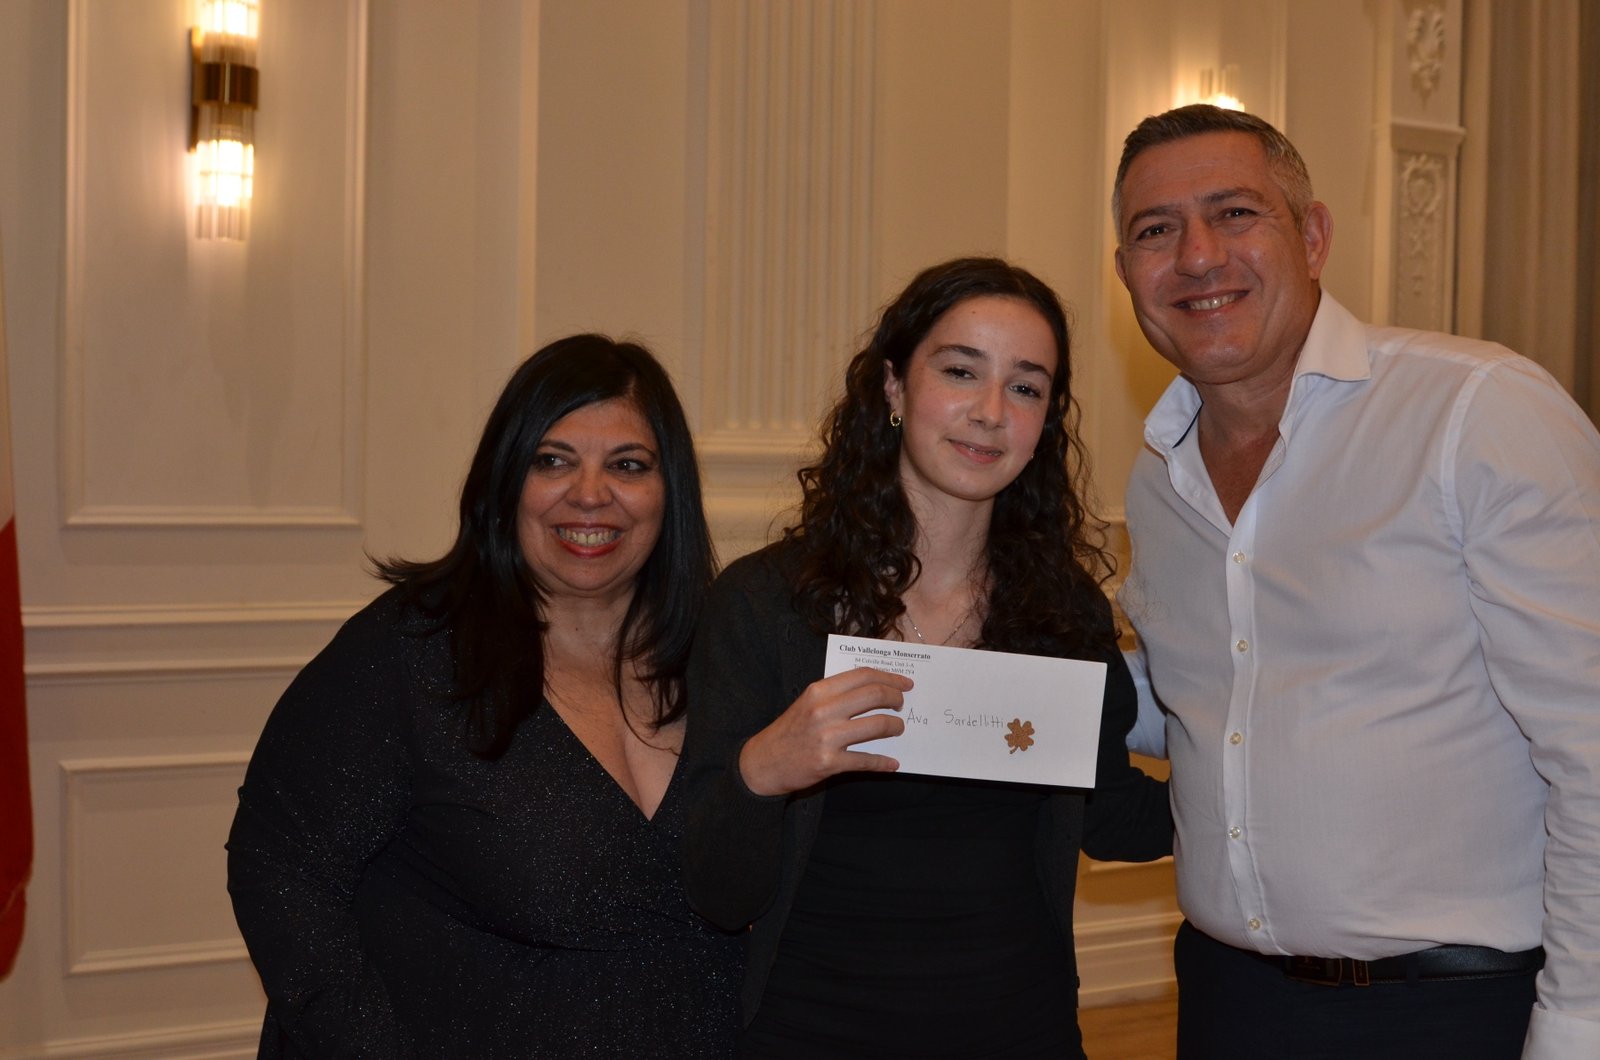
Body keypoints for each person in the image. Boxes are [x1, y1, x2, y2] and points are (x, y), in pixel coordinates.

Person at [1111, 104, 1600, 1059]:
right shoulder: (1158, 479)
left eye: (1235, 213)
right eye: (1155, 231)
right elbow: (1205, 698)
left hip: (1455, 1014)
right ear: (1127, 272)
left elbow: (1591, 743)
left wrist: (1580, 1026)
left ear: (1313, 236)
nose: (1198, 256)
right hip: (1226, 1004)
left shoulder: (1475, 413)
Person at [682, 256, 1173, 1058]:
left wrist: (1262, 783)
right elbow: (715, 888)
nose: (990, 412)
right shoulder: (767, 605)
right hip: (812, 1033)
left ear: (1046, 422)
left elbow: (1110, 815)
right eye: (960, 371)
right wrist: (762, 771)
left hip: (1020, 1031)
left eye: (1025, 387)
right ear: (893, 388)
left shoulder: (1063, 615)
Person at [226, 335, 740, 1058]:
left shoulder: (728, 654)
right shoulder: (409, 655)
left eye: (628, 465)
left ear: (671, 492)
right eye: (552, 460)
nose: (590, 493)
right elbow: (280, 869)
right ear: (504, 481)